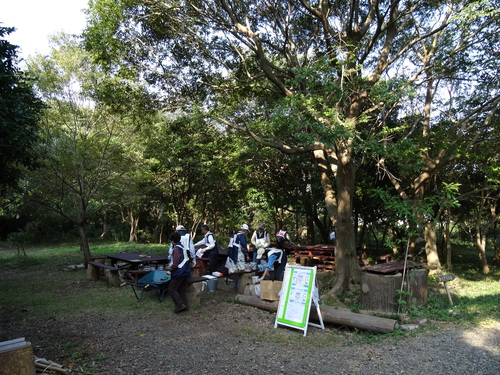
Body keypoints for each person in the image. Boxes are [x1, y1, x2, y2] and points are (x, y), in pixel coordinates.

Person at [166, 231, 190, 313]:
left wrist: (170, 270)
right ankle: (185, 305)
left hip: (179, 272)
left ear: (172, 241)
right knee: (181, 289)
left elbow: (175, 263)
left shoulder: (176, 249)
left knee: (172, 288)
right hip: (186, 271)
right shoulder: (183, 247)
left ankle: (180, 305)